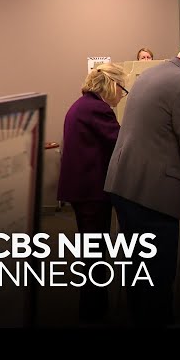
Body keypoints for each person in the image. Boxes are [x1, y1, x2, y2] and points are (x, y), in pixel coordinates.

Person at [104, 41, 180, 327]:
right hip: (153, 192)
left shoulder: (150, 75)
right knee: (158, 275)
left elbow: (159, 132)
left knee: (137, 270)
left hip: (125, 183)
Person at [56, 63, 128, 324]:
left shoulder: (83, 105)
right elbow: (120, 142)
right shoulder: (97, 109)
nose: (122, 95)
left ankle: (94, 306)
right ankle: (93, 311)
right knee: (95, 251)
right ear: (112, 85)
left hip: (81, 188)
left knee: (91, 250)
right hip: (91, 191)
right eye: (122, 89)